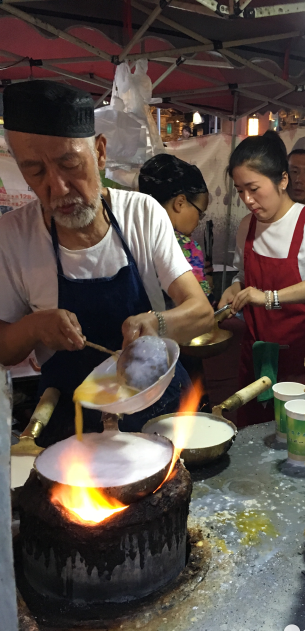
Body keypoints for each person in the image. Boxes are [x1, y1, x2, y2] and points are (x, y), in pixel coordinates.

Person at [0, 80, 213, 444]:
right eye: (35, 171)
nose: (58, 187)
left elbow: (201, 313)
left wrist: (158, 323)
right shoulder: (13, 236)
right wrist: (35, 327)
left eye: (69, 164)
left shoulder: (143, 214)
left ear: (99, 152)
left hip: (156, 416)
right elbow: (5, 348)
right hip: (74, 429)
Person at [219, 130, 305, 426]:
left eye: (253, 188)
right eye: (239, 191)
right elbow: (242, 275)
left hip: (302, 359)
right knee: (250, 438)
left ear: (282, 180)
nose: (247, 200)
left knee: (297, 443)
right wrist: (234, 290)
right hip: (256, 357)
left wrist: (268, 298)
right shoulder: (247, 226)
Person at [139, 153, 213, 302]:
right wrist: (209, 284)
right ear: (180, 203)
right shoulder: (185, 246)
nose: (198, 221)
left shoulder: (134, 234)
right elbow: (201, 306)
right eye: (200, 213)